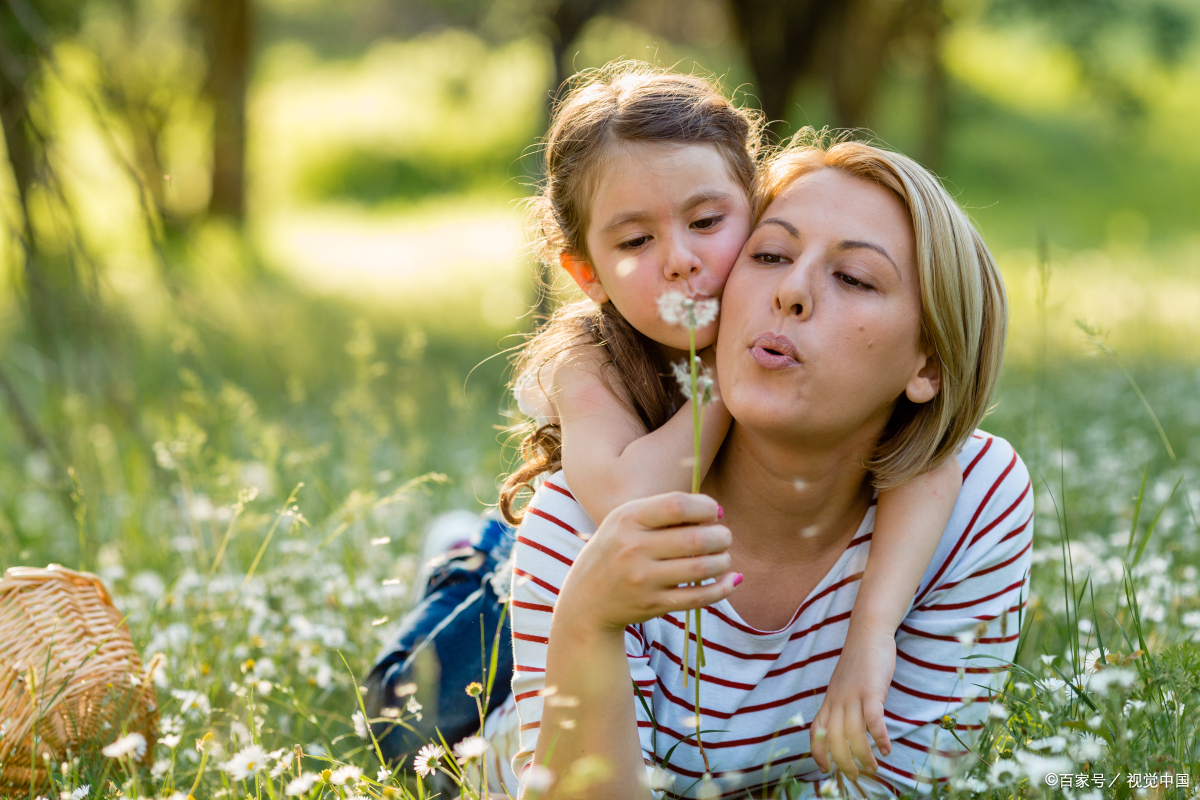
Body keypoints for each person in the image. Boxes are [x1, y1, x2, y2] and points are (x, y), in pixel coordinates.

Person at [490, 132, 1031, 798]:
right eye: (770, 255)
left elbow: (895, 785)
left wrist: (872, 630)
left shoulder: (976, 503)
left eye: (855, 278)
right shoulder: (583, 524)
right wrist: (587, 618)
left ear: (927, 364)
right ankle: (469, 564)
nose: (792, 291)